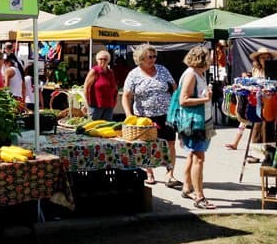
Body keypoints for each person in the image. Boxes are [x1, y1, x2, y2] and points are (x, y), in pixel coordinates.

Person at [122, 44, 180, 187]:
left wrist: (176, 106)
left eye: (154, 56)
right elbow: (126, 96)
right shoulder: (134, 74)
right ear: (141, 58)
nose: (153, 59)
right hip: (144, 117)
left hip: (166, 114)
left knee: (170, 143)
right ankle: (149, 172)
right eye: (150, 57)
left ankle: (170, 174)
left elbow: (175, 88)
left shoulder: (162, 70)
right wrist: (129, 115)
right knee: (147, 146)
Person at [177, 45, 216, 209]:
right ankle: (199, 197)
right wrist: (205, 99)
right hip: (194, 122)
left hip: (202, 120)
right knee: (199, 158)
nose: (211, 60)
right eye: (209, 57)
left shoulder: (198, 73)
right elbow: (183, 100)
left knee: (193, 155)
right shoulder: (191, 74)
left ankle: (187, 188)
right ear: (202, 59)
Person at [225, 46, 277, 159]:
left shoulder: (274, 70)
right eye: (263, 57)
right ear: (258, 59)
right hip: (257, 102)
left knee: (268, 127)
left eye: (267, 57)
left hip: (270, 101)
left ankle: (269, 154)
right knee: (257, 126)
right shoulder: (255, 70)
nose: (265, 59)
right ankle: (256, 154)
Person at [83, 50, 118, 121]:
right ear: (97, 60)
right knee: (93, 127)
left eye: (105, 59)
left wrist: (115, 101)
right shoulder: (94, 71)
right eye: (100, 59)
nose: (103, 61)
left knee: (106, 128)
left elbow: (114, 87)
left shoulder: (110, 72)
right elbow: (86, 88)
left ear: (108, 60)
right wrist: (86, 104)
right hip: (95, 106)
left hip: (109, 105)